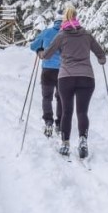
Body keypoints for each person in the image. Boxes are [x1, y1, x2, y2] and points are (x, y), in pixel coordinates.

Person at [39, 3, 106, 159]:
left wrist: (41, 53)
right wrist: (101, 60)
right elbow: (100, 54)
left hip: (66, 78)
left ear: (64, 20)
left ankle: (65, 144)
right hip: (86, 78)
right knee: (82, 112)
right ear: (76, 18)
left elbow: (48, 54)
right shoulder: (87, 35)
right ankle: (83, 140)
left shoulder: (61, 35)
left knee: (67, 112)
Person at [29, 9, 63, 138]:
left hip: (48, 70)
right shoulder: (68, 34)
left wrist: (40, 49)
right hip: (63, 71)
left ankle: (48, 122)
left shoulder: (47, 32)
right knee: (61, 98)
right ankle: (59, 123)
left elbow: (33, 46)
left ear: (55, 21)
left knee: (47, 97)